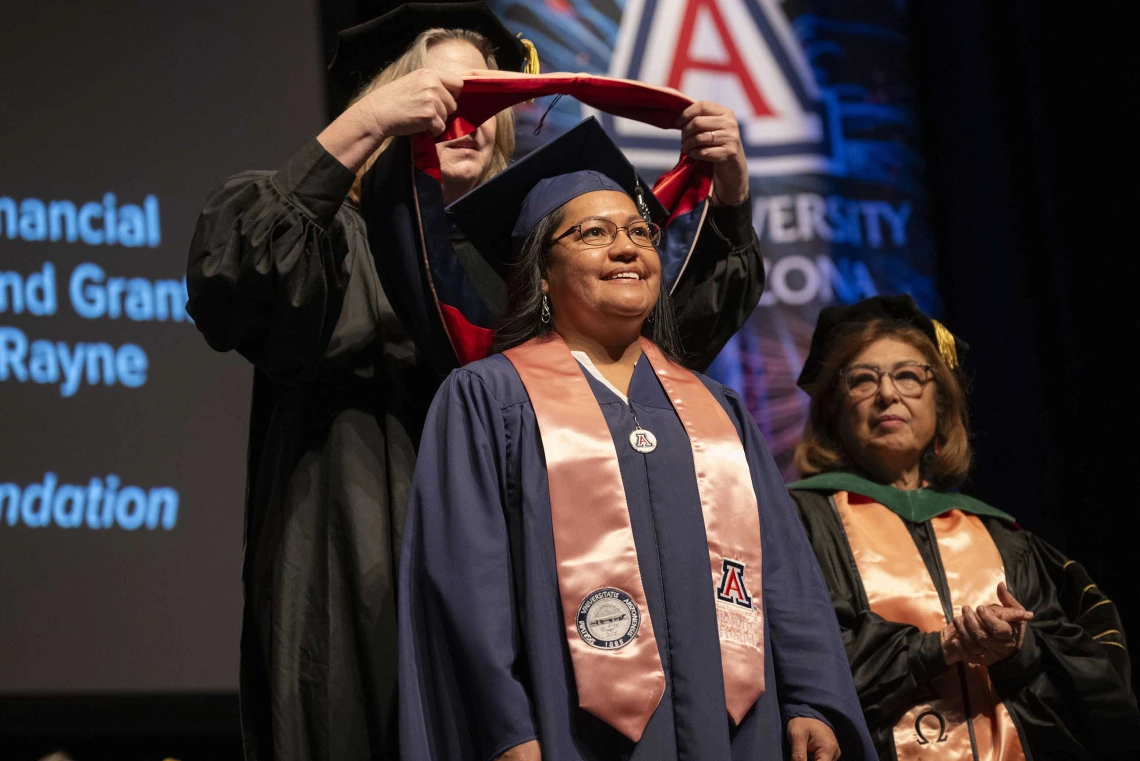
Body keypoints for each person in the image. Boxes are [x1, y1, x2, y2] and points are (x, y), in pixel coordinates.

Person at [185, 2, 765, 758]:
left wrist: (727, 203)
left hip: (518, 586)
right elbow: (238, 284)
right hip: (362, 566)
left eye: (488, 100)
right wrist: (365, 124)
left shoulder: (518, 270)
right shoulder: (326, 233)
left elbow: (658, 349)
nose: (469, 119)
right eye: (443, 95)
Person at [397, 118, 875, 761]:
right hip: (566, 730)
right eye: (593, 233)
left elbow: (780, 568)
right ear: (541, 273)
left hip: (736, 727)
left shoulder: (715, 407)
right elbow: (465, 581)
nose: (627, 248)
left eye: (640, 232)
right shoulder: (490, 399)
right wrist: (505, 728)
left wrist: (812, 695)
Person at [787, 295, 1140, 760]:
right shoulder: (797, 521)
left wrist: (1019, 651)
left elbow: (1102, 699)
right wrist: (941, 647)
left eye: (909, 376)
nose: (888, 394)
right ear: (833, 410)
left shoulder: (1005, 538)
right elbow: (796, 662)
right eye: (862, 380)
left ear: (941, 403)